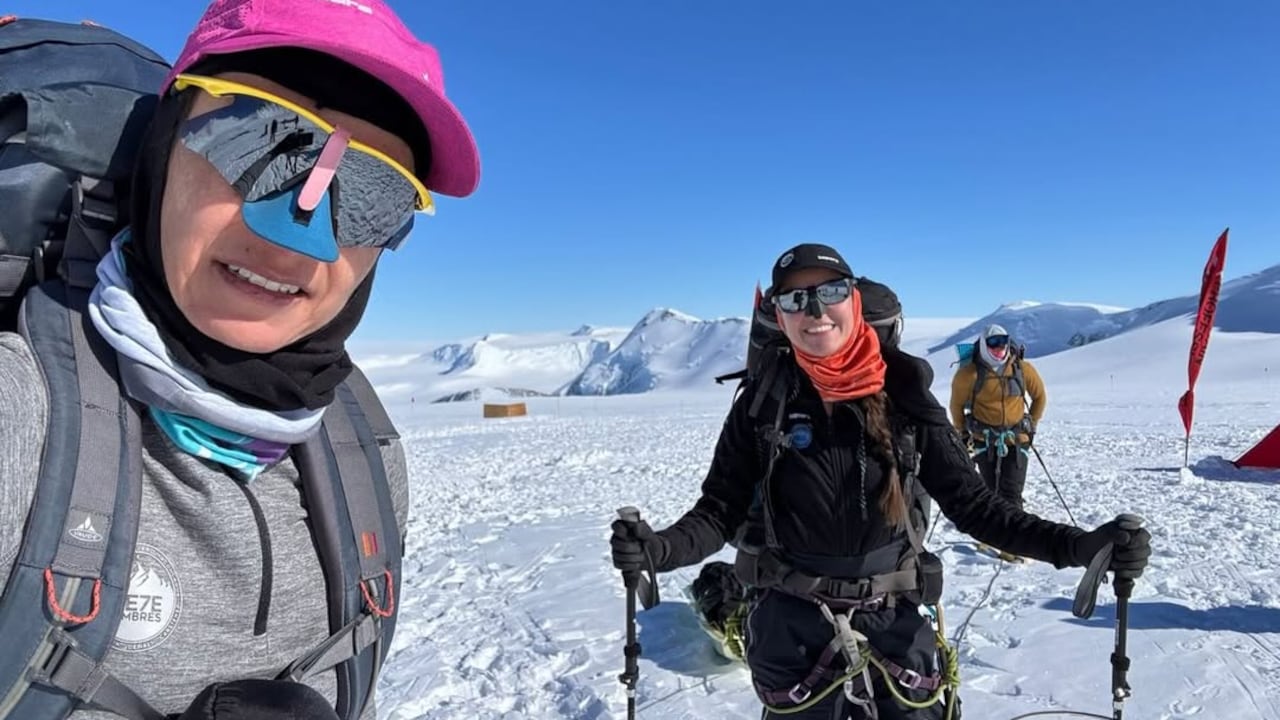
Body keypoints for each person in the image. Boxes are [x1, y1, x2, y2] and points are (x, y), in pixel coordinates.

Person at [0, 1, 479, 718]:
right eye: (252, 136)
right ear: (165, 143)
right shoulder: (25, 423)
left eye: (374, 192)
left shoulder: (368, 457)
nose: (297, 234)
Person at [610, 243, 1150, 720]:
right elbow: (719, 511)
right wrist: (659, 550)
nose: (815, 309)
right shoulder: (763, 403)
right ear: (779, 314)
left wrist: (1079, 547)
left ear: (854, 301)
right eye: (795, 300)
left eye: (830, 291)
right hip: (791, 626)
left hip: (893, 621)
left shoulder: (907, 398)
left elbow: (976, 506)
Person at [948, 323, 1047, 510]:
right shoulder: (968, 374)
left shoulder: (1023, 369)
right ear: (984, 344)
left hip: (1017, 439)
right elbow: (957, 405)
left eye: (1003, 342)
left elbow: (1040, 396)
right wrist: (962, 433)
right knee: (990, 491)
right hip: (983, 439)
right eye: (993, 343)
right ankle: (993, 537)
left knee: (1011, 493)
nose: (1000, 348)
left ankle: (1013, 536)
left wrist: (1031, 423)